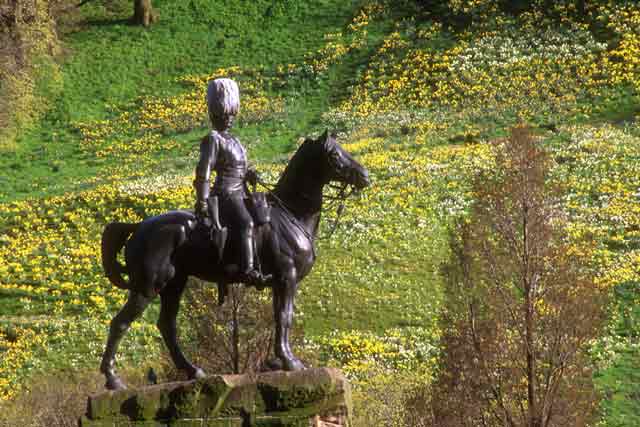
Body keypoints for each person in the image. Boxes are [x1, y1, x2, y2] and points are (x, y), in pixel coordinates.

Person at [193, 78, 267, 285]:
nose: (229, 119)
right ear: (215, 115)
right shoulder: (213, 139)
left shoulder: (235, 141)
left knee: (265, 217)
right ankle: (248, 271)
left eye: (231, 114)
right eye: (225, 114)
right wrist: (202, 200)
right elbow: (204, 171)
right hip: (226, 193)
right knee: (246, 222)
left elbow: (239, 168)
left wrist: (250, 174)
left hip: (241, 190)